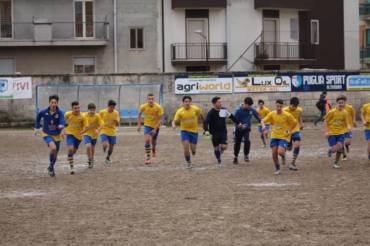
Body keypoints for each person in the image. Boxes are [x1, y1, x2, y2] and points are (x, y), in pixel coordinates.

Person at [204, 96, 241, 166]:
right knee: (216, 148)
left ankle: (220, 151)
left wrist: (238, 123)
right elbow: (206, 122)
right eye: (219, 102)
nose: (220, 103)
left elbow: (232, 116)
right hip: (214, 133)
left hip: (223, 132)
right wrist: (206, 131)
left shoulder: (224, 110)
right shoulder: (211, 112)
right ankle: (219, 160)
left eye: (220, 102)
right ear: (214, 104)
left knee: (224, 146)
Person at [263, 99, 297, 175]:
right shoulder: (272, 114)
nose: (278, 108)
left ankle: (283, 156)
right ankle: (277, 168)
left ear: (282, 107)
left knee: (280, 152)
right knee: (274, 153)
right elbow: (262, 121)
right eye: (277, 106)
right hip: (274, 136)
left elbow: (294, 122)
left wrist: (289, 130)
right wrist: (264, 129)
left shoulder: (287, 115)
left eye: (280, 107)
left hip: (284, 137)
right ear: (275, 106)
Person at [34, 95, 65, 177]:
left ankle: (51, 166)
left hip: (57, 135)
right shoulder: (44, 111)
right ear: (49, 103)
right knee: (53, 148)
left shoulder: (60, 112)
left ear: (57, 103)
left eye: (55, 102)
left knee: (55, 153)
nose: (53, 104)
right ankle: (51, 167)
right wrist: (37, 127)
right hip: (46, 133)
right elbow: (38, 117)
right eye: (52, 102)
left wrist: (61, 125)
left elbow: (62, 120)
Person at [172, 96, 204, 169]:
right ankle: (189, 162)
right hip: (184, 131)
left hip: (194, 131)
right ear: (183, 103)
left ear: (191, 102)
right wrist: (173, 125)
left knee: (193, 150)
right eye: (186, 101)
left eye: (189, 101)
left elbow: (200, 115)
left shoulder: (195, 109)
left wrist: (202, 123)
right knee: (186, 148)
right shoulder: (179, 111)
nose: (187, 103)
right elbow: (174, 120)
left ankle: (193, 152)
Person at [233, 97, 264, 164]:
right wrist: (239, 125)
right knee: (237, 143)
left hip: (246, 129)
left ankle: (246, 155)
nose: (250, 107)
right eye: (249, 105)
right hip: (238, 129)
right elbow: (234, 121)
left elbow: (259, 118)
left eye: (250, 105)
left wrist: (263, 125)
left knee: (247, 141)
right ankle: (236, 156)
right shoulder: (238, 110)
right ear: (245, 103)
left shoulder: (251, 110)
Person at [323, 95, 351, 169]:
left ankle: (336, 163)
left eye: (342, 103)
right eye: (339, 103)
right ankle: (330, 151)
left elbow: (347, 122)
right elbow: (325, 121)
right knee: (335, 149)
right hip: (332, 133)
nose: (341, 104)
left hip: (341, 133)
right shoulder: (332, 112)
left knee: (340, 147)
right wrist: (326, 131)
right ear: (337, 103)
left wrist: (348, 126)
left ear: (344, 103)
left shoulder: (345, 112)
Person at [137, 93, 164, 165]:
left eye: (152, 99)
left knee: (153, 142)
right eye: (149, 99)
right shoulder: (143, 106)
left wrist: (155, 129)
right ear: (147, 99)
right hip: (147, 125)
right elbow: (139, 114)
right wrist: (139, 125)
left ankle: (154, 149)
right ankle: (148, 158)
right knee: (147, 140)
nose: (151, 100)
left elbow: (160, 120)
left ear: (154, 100)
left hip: (156, 126)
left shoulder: (158, 107)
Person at [64, 101, 88, 175]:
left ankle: (70, 156)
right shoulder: (68, 114)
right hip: (70, 134)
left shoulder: (83, 116)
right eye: (75, 108)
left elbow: (86, 127)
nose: (77, 109)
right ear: (72, 108)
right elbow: (62, 121)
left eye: (78, 108)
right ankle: (72, 168)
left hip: (78, 136)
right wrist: (63, 127)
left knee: (73, 152)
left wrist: (82, 132)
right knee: (70, 148)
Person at [283, 97, 304, 170]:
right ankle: (283, 154)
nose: (294, 108)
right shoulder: (284, 110)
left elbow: (299, 117)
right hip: (287, 131)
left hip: (295, 129)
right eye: (293, 106)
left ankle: (292, 163)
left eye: (296, 106)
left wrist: (301, 124)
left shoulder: (299, 110)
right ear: (290, 104)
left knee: (297, 144)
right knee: (289, 148)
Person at [81, 103, 104, 169]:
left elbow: (102, 124)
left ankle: (92, 158)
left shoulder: (97, 116)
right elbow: (82, 122)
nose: (92, 111)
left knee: (93, 148)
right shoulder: (84, 115)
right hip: (87, 133)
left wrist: (98, 130)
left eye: (93, 110)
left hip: (94, 134)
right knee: (88, 146)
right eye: (90, 110)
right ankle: (89, 160)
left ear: (95, 110)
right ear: (88, 110)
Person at [99, 100, 120, 165]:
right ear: (108, 106)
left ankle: (107, 158)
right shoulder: (102, 112)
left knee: (111, 147)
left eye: (114, 107)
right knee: (105, 144)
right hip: (104, 130)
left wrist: (116, 121)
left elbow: (117, 124)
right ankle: (104, 147)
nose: (112, 108)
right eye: (111, 107)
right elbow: (98, 119)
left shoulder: (116, 113)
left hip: (112, 131)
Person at [342, 96, 357, 160]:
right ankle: (344, 155)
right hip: (340, 128)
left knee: (348, 142)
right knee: (341, 142)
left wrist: (354, 121)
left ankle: (347, 145)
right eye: (340, 102)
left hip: (348, 127)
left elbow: (353, 115)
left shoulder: (350, 108)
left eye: (343, 101)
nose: (341, 103)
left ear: (345, 101)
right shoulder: (337, 108)